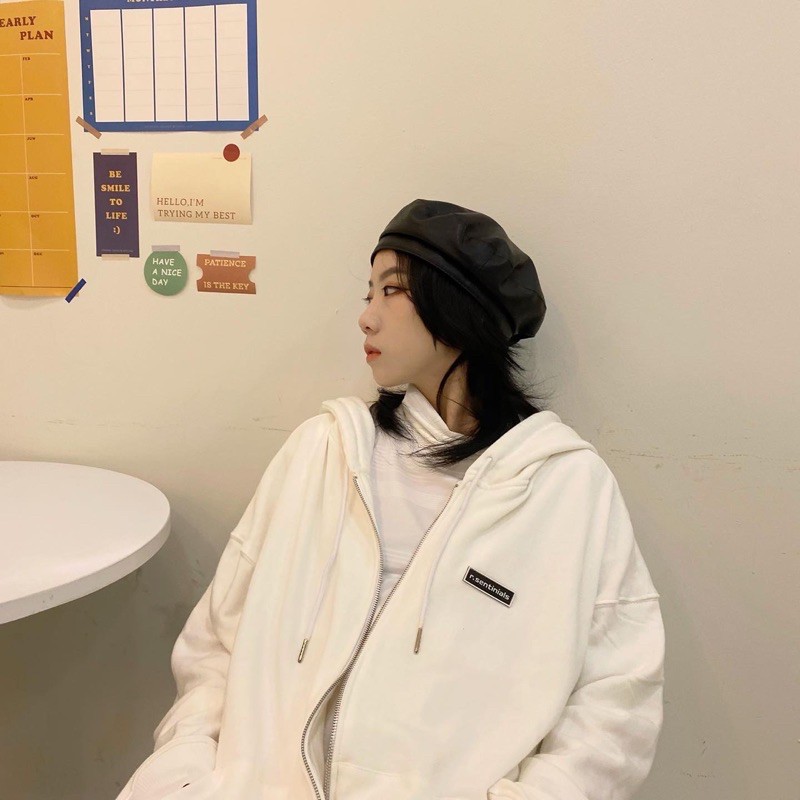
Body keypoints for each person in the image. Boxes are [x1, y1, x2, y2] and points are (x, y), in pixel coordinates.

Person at [115, 199, 665, 800]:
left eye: (391, 290)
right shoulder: (322, 453)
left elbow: (617, 700)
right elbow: (217, 644)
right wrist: (186, 773)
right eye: (368, 292)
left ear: (459, 307)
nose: (365, 317)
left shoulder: (567, 488)